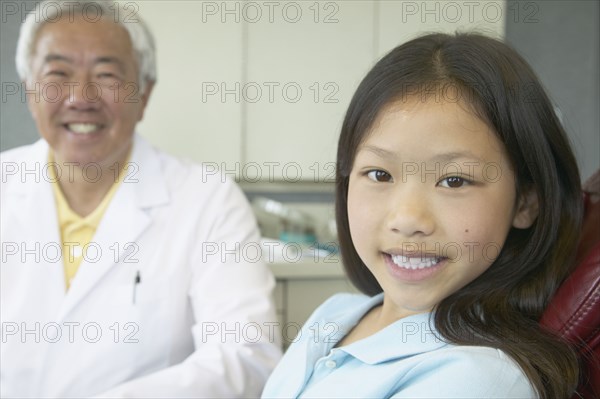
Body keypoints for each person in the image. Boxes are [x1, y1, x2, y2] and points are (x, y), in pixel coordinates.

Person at [261, 33, 582, 399]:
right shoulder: (337, 314)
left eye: (454, 180)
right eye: (380, 174)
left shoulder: (478, 378)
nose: (408, 218)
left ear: (525, 202)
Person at [0, 1, 281, 397]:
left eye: (107, 75)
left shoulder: (208, 200)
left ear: (144, 94)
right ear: (30, 91)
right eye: (57, 73)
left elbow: (247, 357)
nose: (81, 96)